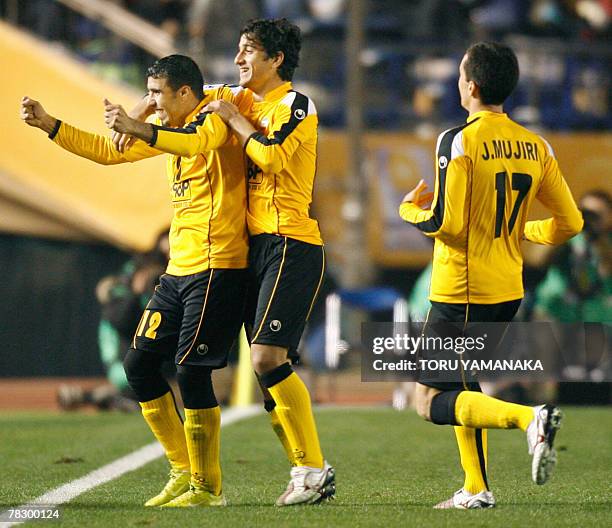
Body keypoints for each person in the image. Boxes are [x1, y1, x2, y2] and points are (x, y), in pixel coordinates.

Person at [20, 54, 249, 508]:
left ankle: (208, 487)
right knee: (139, 367)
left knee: (191, 372)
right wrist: (50, 124)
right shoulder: (167, 130)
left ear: (185, 92)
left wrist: (138, 122)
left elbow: (192, 146)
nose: (152, 103)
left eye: (158, 94)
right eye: (148, 94)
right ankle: (183, 471)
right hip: (178, 271)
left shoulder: (214, 122)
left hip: (217, 266)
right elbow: (110, 152)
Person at [126, 18, 336, 506]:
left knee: (267, 358)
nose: (238, 59)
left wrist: (235, 121)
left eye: (248, 51)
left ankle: (311, 468)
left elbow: (273, 158)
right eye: (239, 50)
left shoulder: (295, 105)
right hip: (250, 248)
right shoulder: (231, 94)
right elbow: (167, 94)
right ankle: (304, 471)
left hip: (289, 241)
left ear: (276, 60)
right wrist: (137, 118)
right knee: (265, 370)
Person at [398, 42, 583, 509]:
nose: (458, 82)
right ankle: (476, 489)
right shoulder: (535, 144)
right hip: (506, 288)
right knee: (464, 384)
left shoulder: (457, 139)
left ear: (471, 85)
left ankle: (530, 419)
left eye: (460, 75)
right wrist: (523, 228)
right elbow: (571, 224)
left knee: (427, 401)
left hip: (461, 286)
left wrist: (408, 210)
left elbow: (446, 223)